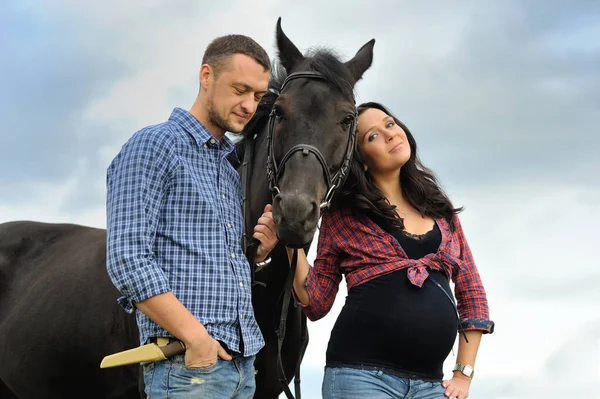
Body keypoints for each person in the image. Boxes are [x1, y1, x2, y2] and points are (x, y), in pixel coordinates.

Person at [106, 34, 278, 399]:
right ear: (206, 76)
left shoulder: (229, 171)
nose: (249, 105)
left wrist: (257, 255)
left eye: (258, 96)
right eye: (240, 89)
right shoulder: (155, 144)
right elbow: (127, 257)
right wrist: (196, 338)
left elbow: (208, 263)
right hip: (187, 368)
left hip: (241, 366)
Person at [288, 102, 494, 399]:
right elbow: (316, 301)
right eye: (372, 136)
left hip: (432, 386)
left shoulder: (439, 206)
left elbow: (471, 291)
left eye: (389, 123)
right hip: (361, 378)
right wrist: (290, 243)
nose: (389, 134)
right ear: (362, 161)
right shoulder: (343, 214)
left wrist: (463, 374)